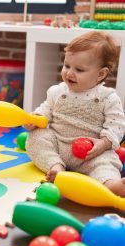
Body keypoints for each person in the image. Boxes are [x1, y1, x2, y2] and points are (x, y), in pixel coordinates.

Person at [24, 31, 125, 196]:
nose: (69, 73)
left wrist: (104, 143)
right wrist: (34, 119)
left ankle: (110, 184)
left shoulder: (108, 97)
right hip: (59, 145)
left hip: (92, 154)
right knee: (36, 137)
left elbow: (116, 125)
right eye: (67, 65)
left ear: (101, 74)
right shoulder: (57, 91)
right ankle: (56, 166)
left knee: (106, 163)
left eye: (79, 69)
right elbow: (45, 110)